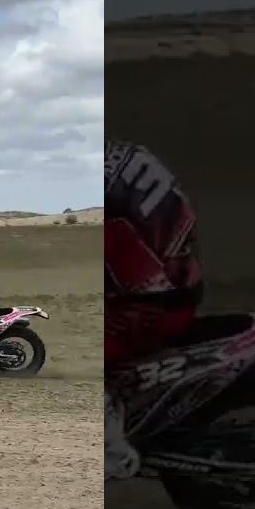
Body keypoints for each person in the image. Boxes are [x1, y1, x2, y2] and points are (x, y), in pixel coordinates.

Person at [105, 140, 204, 480]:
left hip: (154, 305)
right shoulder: (123, 159)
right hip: (174, 289)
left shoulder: (111, 210)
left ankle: (111, 453)